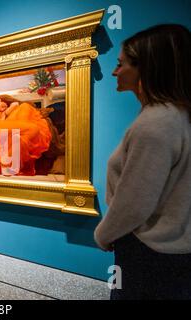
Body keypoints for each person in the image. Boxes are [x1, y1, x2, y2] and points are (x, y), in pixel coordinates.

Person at [94, 24, 191, 300]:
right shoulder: (176, 115)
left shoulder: (154, 124)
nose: (114, 71)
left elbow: (135, 201)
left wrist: (104, 234)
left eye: (120, 64)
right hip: (172, 250)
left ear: (145, 68)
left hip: (149, 253)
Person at [0, 95, 52, 176]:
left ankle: (8, 163)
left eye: (5, 108)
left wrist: (9, 109)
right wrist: (0, 117)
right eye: (3, 105)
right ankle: (7, 165)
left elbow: (3, 122)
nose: (3, 108)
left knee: (27, 117)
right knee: (32, 128)